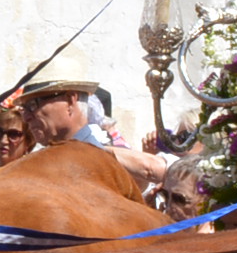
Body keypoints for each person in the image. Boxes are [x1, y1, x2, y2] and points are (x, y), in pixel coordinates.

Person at [20, 56, 169, 187]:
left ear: (70, 100)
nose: (26, 117)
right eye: (24, 108)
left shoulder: (105, 156)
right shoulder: (38, 164)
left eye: (33, 104)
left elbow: (157, 171)